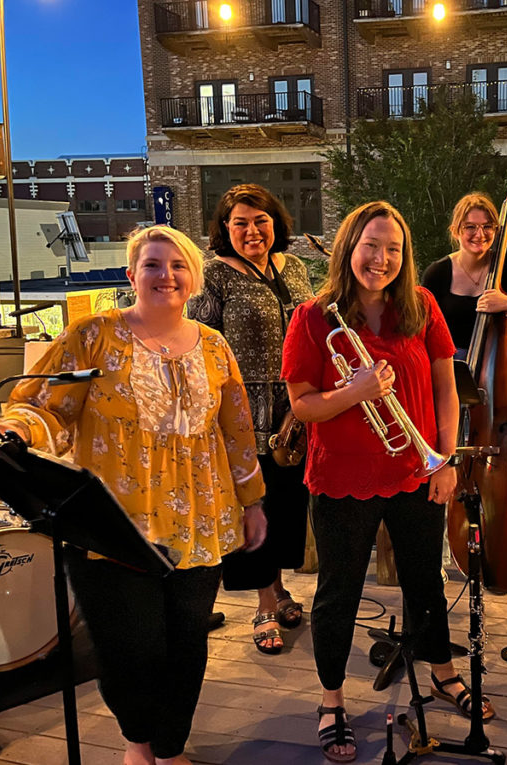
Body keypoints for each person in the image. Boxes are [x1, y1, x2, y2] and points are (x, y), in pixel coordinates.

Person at [0, 224, 267, 765]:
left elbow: (237, 431)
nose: (166, 275)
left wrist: (253, 502)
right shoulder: (93, 334)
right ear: (132, 275)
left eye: (178, 266)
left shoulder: (216, 346)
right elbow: (45, 405)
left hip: (201, 521)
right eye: (153, 264)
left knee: (186, 643)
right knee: (128, 648)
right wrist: (15, 430)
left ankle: (170, 748)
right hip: (112, 523)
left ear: (193, 279)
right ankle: (138, 743)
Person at [282, 201, 495, 763]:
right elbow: (302, 407)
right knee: (338, 593)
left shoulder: (421, 305)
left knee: (424, 581)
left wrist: (445, 459)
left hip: (415, 473)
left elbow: (448, 390)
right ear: (349, 247)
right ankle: (331, 702)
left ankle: (442, 674)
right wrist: (354, 393)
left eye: (393, 249)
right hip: (341, 481)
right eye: (370, 246)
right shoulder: (314, 316)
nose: (381, 259)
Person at [188, 183, 313, 655]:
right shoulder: (213, 275)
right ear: (225, 229)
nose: (251, 230)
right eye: (239, 222)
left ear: (275, 223)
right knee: (253, 509)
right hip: (243, 412)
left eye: (260, 221)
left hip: (297, 412)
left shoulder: (295, 267)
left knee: (285, 507)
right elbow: (201, 346)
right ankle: (263, 603)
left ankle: (280, 589)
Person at [421, 191, 507, 352]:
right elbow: (421, 332)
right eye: (470, 227)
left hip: (497, 368)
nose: (480, 234)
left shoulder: (506, 265)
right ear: (455, 231)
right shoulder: (437, 273)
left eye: (487, 226)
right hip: (449, 368)